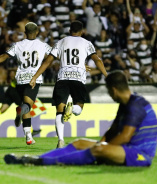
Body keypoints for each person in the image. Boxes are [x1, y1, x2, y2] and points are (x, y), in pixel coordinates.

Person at [4, 70, 157, 167]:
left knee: (98, 149)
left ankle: (41, 162)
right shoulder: (126, 104)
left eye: (109, 92)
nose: (110, 95)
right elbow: (112, 131)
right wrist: (102, 142)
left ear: (114, 90)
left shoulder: (136, 105)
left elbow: (125, 137)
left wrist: (103, 147)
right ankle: (36, 158)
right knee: (79, 142)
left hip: (139, 155)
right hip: (125, 149)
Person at [29, 20, 108, 148]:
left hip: (63, 78)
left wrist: (35, 77)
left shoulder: (61, 42)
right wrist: (106, 75)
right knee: (79, 109)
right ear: (82, 32)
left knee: (59, 111)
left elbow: (47, 62)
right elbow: (97, 60)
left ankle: (60, 140)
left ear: (70, 30)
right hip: (78, 78)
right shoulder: (87, 43)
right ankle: (72, 109)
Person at [0, 22, 52, 145]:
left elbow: (3, 56)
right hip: (33, 79)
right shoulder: (43, 45)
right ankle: (21, 113)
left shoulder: (17, 45)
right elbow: (55, 56)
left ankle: (29, 137)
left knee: (25, 107)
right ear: (37, 32)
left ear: (24, 33)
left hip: (20, 80)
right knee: (27, 106)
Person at [0, 69, 43, 136]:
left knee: (2, 109)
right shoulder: (22, 74)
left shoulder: (21, 74)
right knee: (23, 109)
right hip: (14, 92)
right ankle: (30, 130)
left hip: (10, 91)